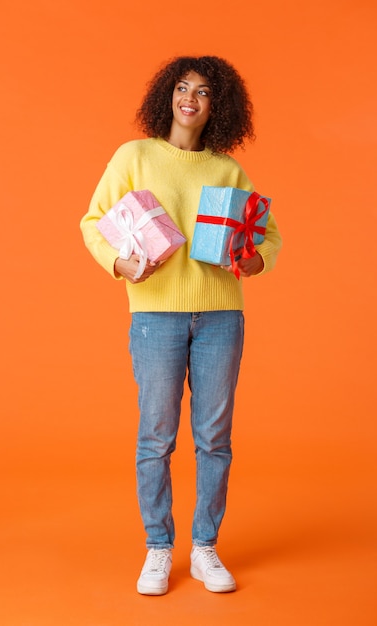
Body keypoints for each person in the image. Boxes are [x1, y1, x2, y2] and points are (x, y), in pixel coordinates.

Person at [80, 55, 282, 596]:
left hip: (221, 315)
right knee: (156, 437)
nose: (190, 97)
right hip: (154, 316)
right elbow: (94, 221)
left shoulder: (227, 169)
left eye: (204, 91)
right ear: (167, 96)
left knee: (214, 439)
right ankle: (158, 547)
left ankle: (205, 548)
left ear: (220, 106)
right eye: (182, 87)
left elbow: (268, 239)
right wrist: (121, 263)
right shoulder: (134, 156)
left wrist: (249, 257)